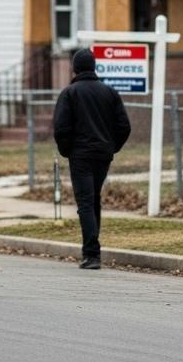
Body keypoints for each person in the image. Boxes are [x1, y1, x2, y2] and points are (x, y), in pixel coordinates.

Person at [53, 48, 131, 270]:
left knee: (85, 202)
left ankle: (91, 254)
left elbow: (61, 128)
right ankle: (93, 248)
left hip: (81, 155)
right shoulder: (109, 93)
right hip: (103, 155)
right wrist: (112, 147)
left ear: (75, 68)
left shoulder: (70, 93)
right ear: (94, 66)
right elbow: (124, 126)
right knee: (93, 198)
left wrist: (68, 150)